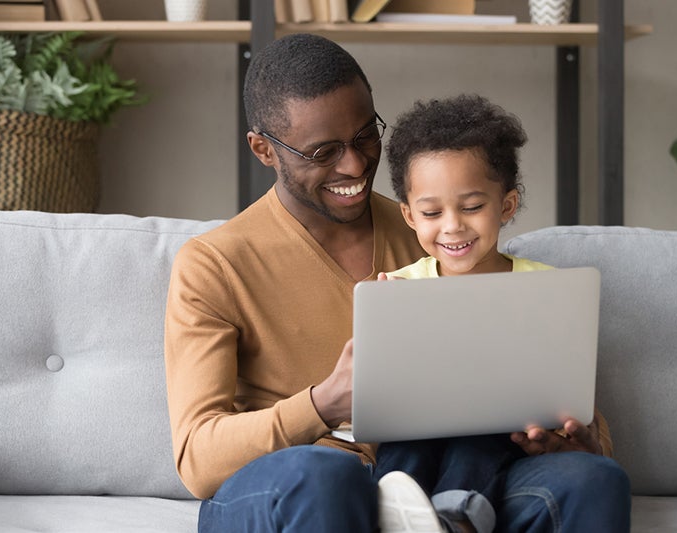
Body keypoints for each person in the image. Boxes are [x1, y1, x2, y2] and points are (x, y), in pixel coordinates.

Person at [164, 33, 424, 531]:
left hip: (411, 474)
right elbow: (197, 459)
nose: (355, 165)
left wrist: (579, 435)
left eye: (366, 135)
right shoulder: (214, 264)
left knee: (581, 477)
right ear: (263, 149)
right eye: (323, 151)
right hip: (283, 485)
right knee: (326, 474)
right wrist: (324, 404)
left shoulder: (429, 232)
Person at [370, 94, 631, 533]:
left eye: (472, 207)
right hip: (416, 442)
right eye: (432, 212)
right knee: (407, 442)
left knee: (486, 415)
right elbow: (378, 404)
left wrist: (574, 432)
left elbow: (567, 392)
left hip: (504, 437)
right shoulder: (398, 289)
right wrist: (382, 343)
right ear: (409, 216)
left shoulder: (545, 287)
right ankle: (401, 514)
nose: (452, 225)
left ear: (506, 206)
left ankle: (457, 516)